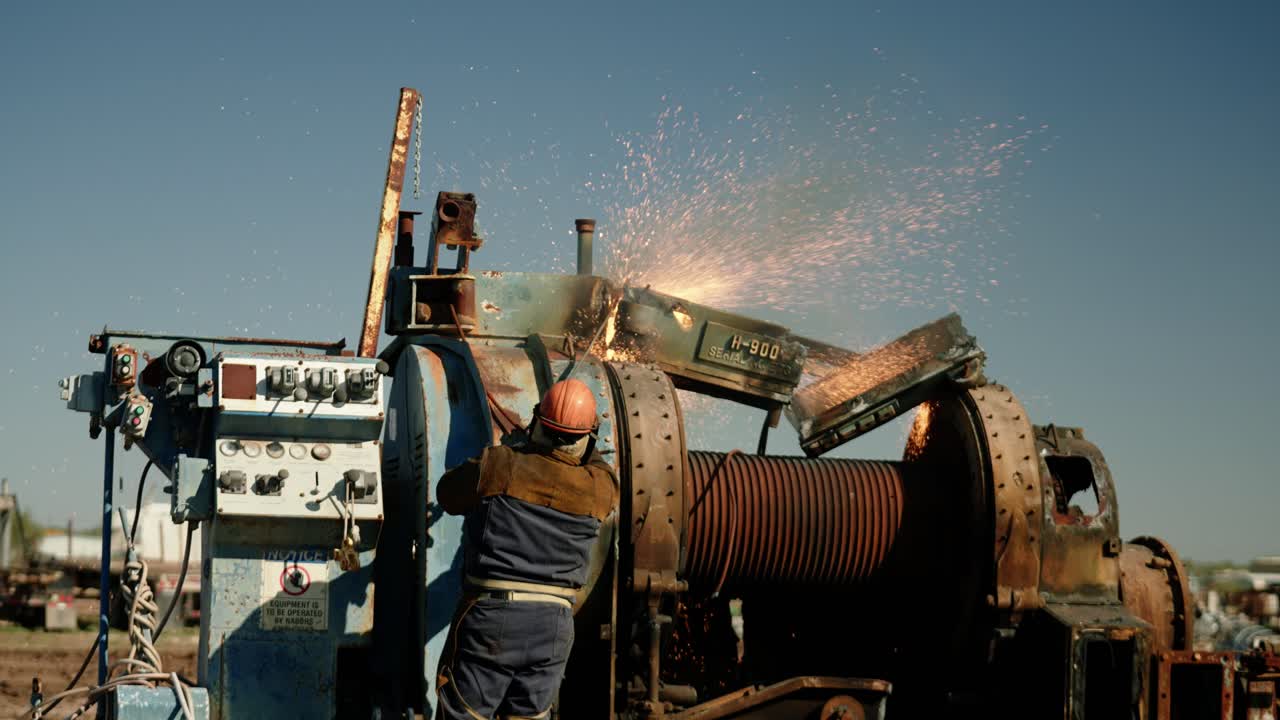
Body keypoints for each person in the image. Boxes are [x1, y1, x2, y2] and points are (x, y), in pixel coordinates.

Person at [434, 378, 618, 720]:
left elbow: (447, 494)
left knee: (464, 714)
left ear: (537, 424)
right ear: (587, 437)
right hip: (554, 626)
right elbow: (598, 464)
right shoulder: (600, 488)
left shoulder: (500, 465)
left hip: (493, 618)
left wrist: (521, 449)